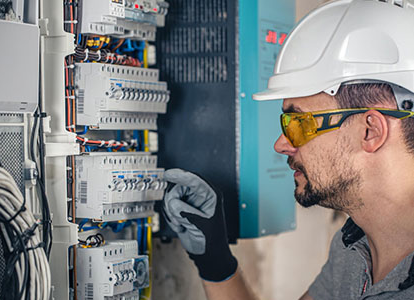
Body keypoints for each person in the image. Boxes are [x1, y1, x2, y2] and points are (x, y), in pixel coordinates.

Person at [162, 0, 414, 299]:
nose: (281, 144)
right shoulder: (353, 248)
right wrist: (216, 263)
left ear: (370, 131)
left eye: (298, 123)